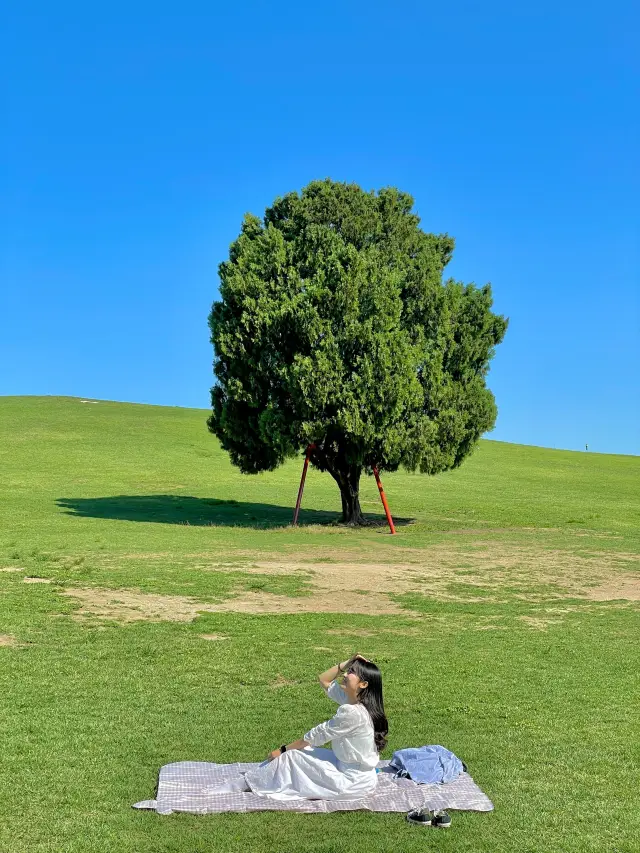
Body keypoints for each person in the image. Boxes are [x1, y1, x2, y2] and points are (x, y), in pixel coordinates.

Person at [217, 654, 388, 801]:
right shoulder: (356, 703)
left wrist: (282, 750)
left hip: (351, 782)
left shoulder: (352, 713)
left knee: (291, 756)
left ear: (363, 684)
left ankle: (246, 783)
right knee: (304, 753)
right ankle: (253, 777)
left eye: (351, 672)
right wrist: (348, 662)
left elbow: (314, 736)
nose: (346, 674)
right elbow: (324, 679)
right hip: (359, 776)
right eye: (349, 670)